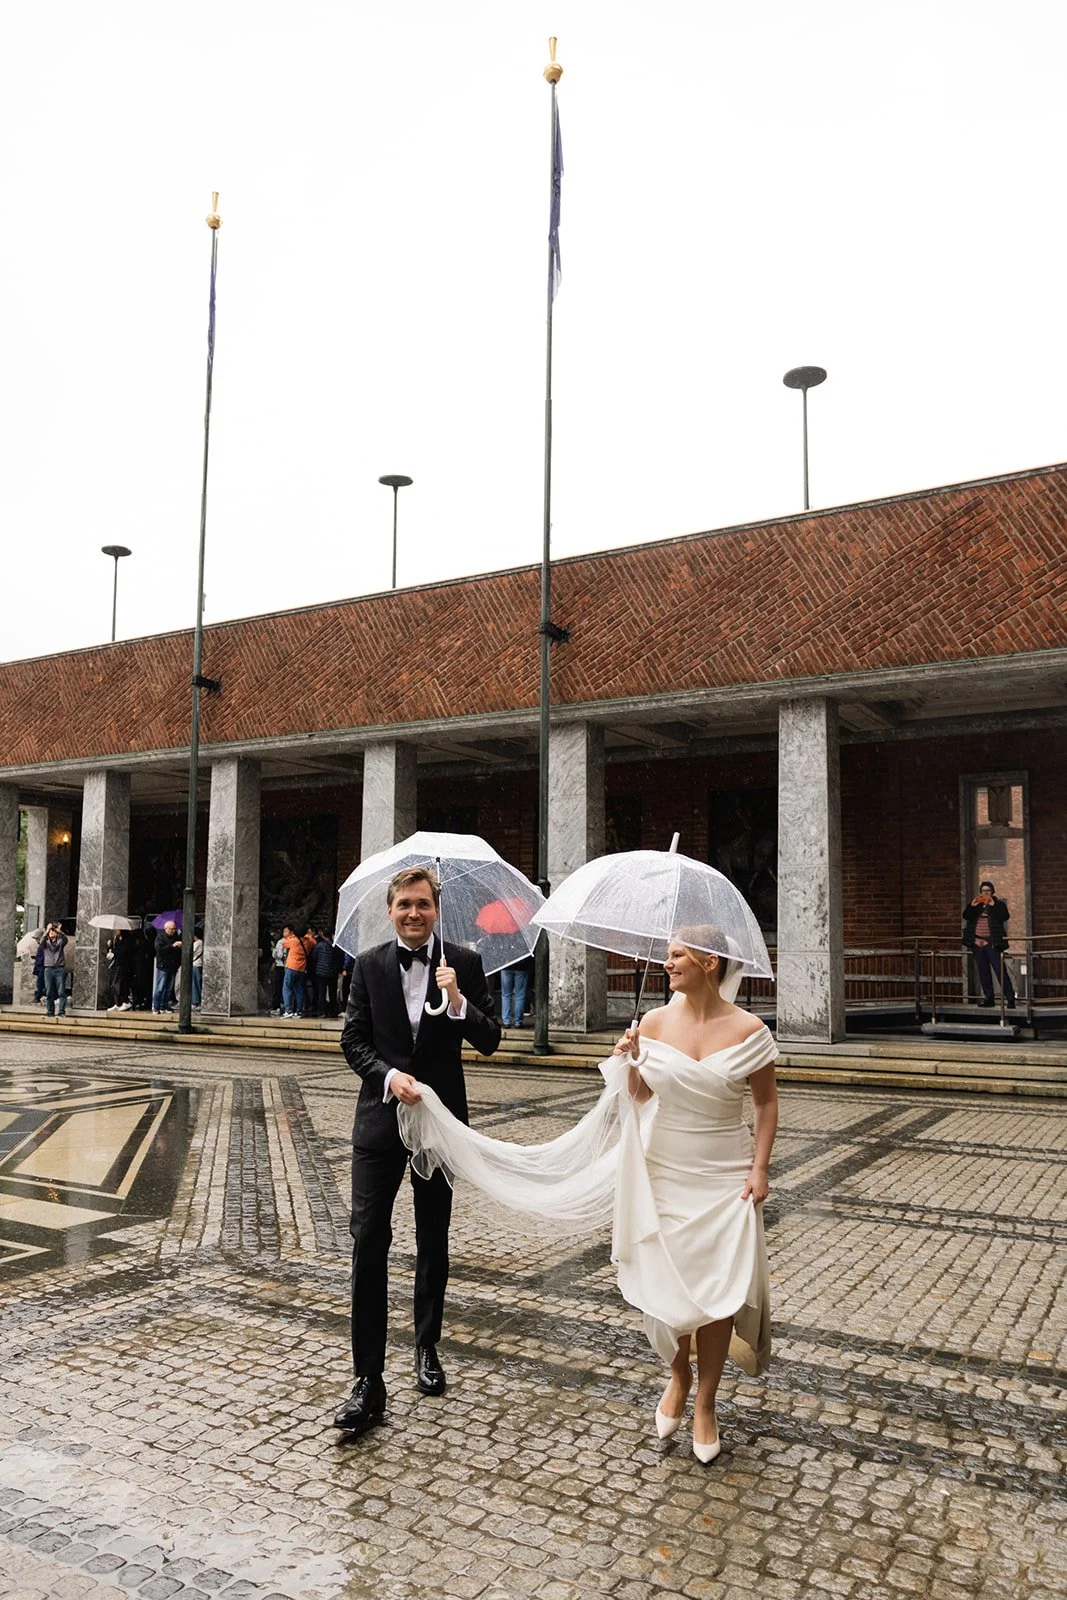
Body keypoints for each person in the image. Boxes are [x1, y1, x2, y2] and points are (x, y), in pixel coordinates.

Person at [397, 924, 778, 1466]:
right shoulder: (653, 1021)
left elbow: (765, 1105)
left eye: (676, 956)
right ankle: (677, 1373)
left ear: (708, 963)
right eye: (668, 956)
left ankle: (707, 1402)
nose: (667, 964)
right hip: (664, 1167)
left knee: (716, 1292)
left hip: (723, 1172)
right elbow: (642, 1095)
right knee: (671, 1285)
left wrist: (760, 1170)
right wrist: (631, 1059)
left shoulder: (749, 1030)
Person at [333, 866, 501, 1439]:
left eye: (423, 905)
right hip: (379, 1124)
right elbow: (352, 1040)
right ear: (390, 910)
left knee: (434, 1239)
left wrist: (456, 1000)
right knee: (368, 1243)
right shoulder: (370, 964)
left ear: (436, 909)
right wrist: (387, 1077)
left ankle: (427, 1346)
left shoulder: (466, 964)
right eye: (404, 904)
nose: (413, 913)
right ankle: (367, 1381)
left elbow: (491, 1039)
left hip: (440, 1124)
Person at [962, 879, 1016, 1008]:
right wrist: (972, 906)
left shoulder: (999, 905)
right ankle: (989, 998)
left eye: (988, 891)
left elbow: (1004, 917)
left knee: (1000, 970)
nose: (986, 893)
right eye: (983, 891)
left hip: (992, 943)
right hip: (977, 942)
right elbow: (966, 916)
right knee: (983, 971)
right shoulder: (977, 904)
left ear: (992, 892)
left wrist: (992, 905)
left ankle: (1010, 998)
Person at [34, 923, 69, 1017]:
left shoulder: (60, 942)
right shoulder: (46, 943)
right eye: (51, 932)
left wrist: (58, 930)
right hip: (48, 969)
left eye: (54, 931)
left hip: (59, 968)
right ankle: (50, 1011)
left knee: (61, 991)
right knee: (49, 991)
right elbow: (41, 942)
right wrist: (47, 931)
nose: (52, 933)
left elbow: (65, 939)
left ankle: (61, 1011)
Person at [499, 952, 534, 1028]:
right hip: (522, 967)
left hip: (506, 965)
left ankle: (506, 1021)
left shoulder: (504, 939)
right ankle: (518, 1022)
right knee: (520, 995)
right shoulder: (524, 940)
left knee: (506, 995)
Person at [153, 921, 182, 1013]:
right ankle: (156, 1006)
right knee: (160, 987)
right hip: (163, 966)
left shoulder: (176, 937)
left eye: (174, 929)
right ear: (166, 929)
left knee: (168, 988)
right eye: (171, 929)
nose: (173, 930)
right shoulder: (160, 938)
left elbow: (177, 953)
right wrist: (172, 946)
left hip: (172, 966)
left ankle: (164, 1006)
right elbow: (159, 950)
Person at [107, 929, 134, 1011]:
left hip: (123, 965)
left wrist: (114, 952)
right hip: (116, 964)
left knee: (120, 984)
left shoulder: (127, 940)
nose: (116, 931)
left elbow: (124, 952)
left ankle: (126, 1001)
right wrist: (110, 946)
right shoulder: (117, 940)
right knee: (113, 984)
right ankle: (117, 1003)